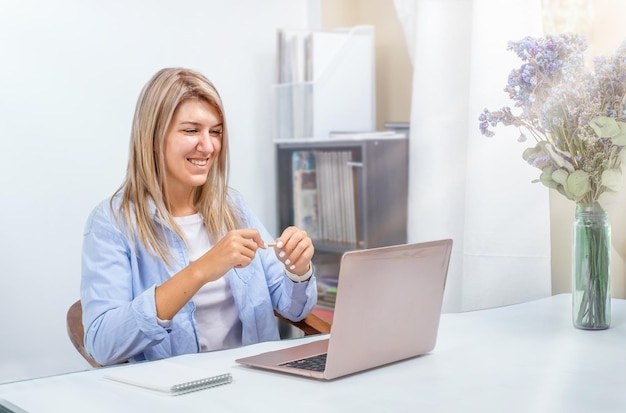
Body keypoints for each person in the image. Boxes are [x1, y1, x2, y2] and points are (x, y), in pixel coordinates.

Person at [80, 67, 317, 366]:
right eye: (191, 130)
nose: (208, 146)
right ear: (153, 137)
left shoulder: (234, 207)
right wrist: (200, 271)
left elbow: (293, 309)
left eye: (215, 131)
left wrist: (298, 269)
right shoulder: (111, 224)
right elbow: (102, 345)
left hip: (257, 387)